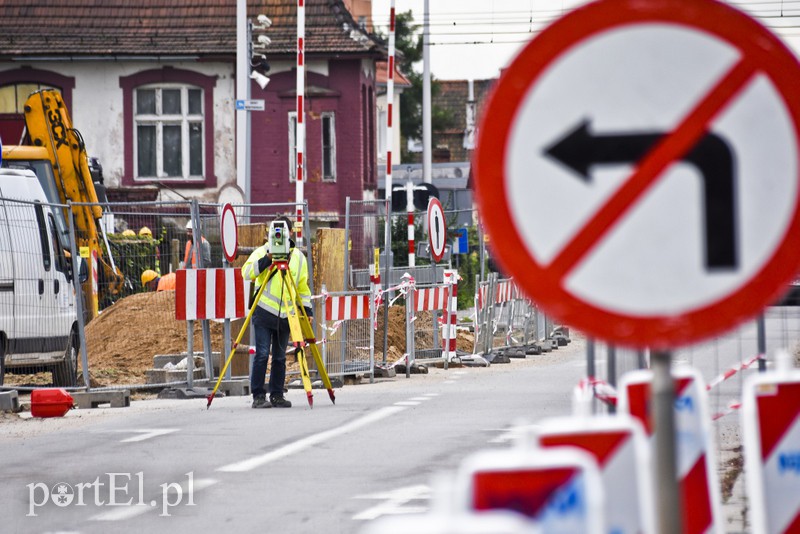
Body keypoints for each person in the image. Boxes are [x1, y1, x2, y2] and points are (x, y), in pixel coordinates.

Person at [242, 216, 312, 409]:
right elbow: (246, 272)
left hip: (286, 316)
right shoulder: (262, 252)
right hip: (264, 312)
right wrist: (267, 259)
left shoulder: (298, 257)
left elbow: (302, 287)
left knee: (280, 357)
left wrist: (307, 309)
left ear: (291, 233)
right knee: (263, 354)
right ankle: (258, 396)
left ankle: (277, 395)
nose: (279, 236)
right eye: (276, 232)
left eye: (283, 232)